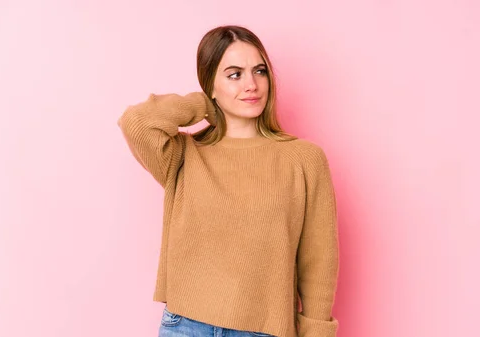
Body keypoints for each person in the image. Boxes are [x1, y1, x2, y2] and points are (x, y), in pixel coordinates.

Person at [118, 25, 339, 337]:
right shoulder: (184, 155)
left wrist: (316, 333)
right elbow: (137, 122)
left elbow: (318, 261)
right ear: (211, 84)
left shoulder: (303, 159)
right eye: (234, 74)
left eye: (259, 71)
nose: (251, 84)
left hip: (264, 331)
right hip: (186, 326)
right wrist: (203, 104)